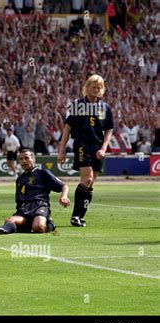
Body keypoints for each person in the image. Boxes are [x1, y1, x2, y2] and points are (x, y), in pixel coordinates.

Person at [58, 74, 114, 227]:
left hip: (97, 147)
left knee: (91, 183)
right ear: (87, 87)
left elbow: (109, 129)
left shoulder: (105, 108)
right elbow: (67, 128)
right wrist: (62, 150)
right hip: (82, 144)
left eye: (99, 87)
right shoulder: (77, 105)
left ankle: (80, 216)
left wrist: (104, 148)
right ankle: (75, 216)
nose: (96, 89)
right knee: (87, 179)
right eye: (93, 86)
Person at [0, 149, 70, 234]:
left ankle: (49, 224)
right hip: (25, 208)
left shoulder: (43, 173)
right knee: (10, 220)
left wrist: (64, 196)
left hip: (40, 205)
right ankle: (1, 230)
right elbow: (19, 201)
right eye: (21, 159)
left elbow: (64, 186)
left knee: (38, 227)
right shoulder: (20, 180)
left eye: (26, 158)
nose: (23, 161)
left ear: (33, 159)